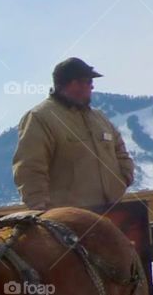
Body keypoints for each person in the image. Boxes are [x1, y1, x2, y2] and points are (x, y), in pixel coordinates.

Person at [11, 57, 135, 211]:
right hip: (68, 220)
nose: (92, 87)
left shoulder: (100, 118)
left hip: (112, 212)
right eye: (89, 82)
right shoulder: (40, 118)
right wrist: (40, 210)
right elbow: (29, 168)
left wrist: (125, 177)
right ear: (74, 84)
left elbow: (121, 153)